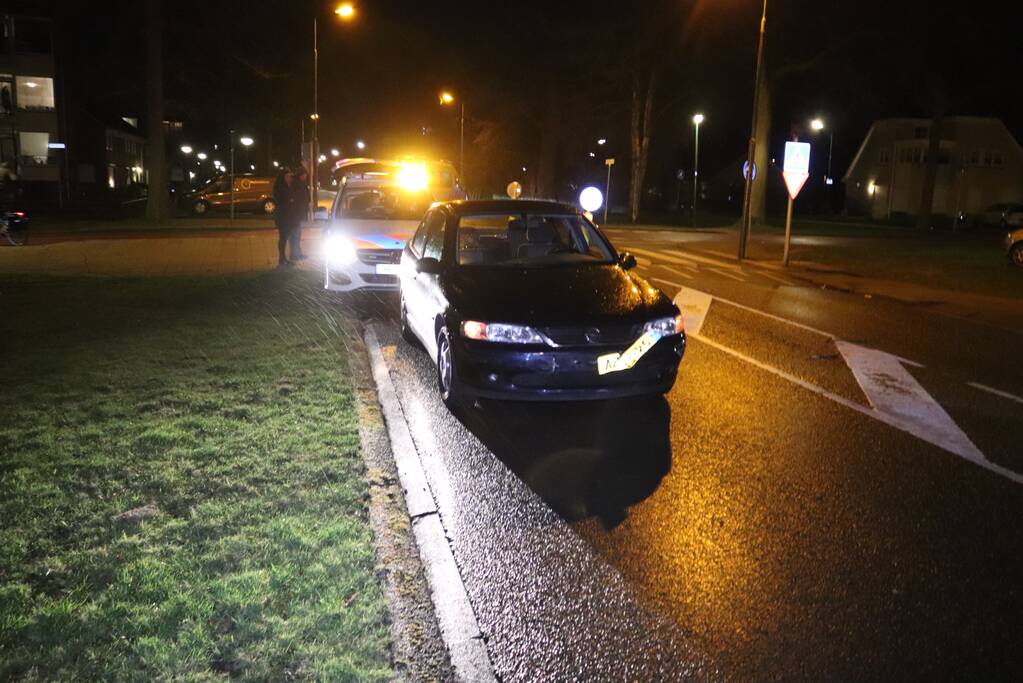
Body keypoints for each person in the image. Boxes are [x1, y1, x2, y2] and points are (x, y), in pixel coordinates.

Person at [272, 167, 300, 266]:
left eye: (290, 176)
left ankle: (284, 258)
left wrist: (291, 199)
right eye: (287, 176)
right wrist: (290, 200)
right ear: (283, 177)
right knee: (283, 238)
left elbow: (293, 198)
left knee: (285, 237)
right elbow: (286, 200)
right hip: (283, 217)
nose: (289, 178)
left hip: (288, 216)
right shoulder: (279, 187)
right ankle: (282, 259)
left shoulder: (288, 186)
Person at [290, 166, 311, 260]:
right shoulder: (296, 184)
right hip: (295, 214)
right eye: (305, 175)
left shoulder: (299, 183)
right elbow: (298, 200)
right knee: (295, 235)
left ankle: (296, 253)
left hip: (297, 214)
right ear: (301, 175)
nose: (306, 177)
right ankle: (295, 255)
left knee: (296, 235)